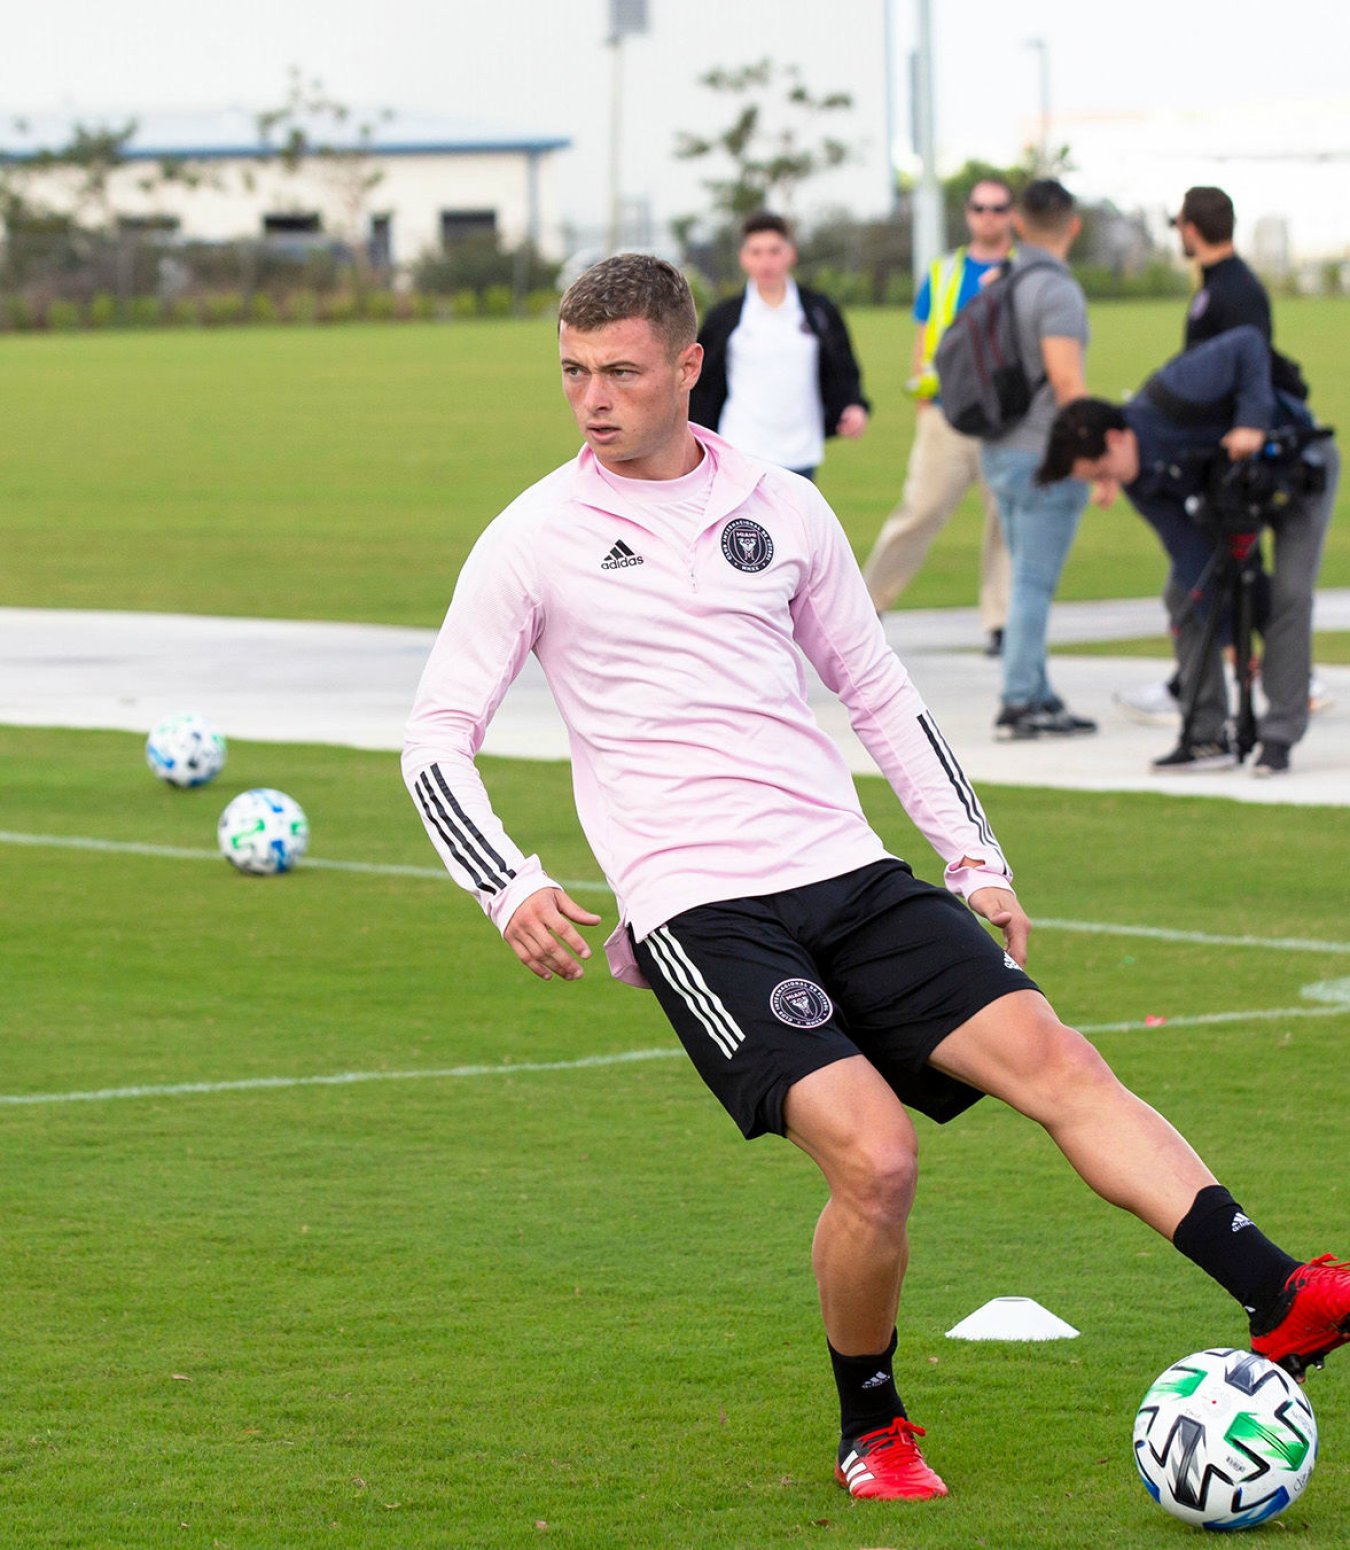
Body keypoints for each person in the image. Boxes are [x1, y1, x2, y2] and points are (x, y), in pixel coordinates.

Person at [403, 254, 1349, 1504]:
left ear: (688, 366)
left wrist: (975, 855)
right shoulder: (533, 536)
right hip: (700, 906)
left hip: (846, 870)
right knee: (879, 1155)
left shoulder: (784, 508)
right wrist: (508, 882)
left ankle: (1285, 1292)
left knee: (1060, 1059)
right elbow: (436, 738)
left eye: (620, 372)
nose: (592, 398)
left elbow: (879, 692)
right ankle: (874, 1423)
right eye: (573, 372)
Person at [1036, 326, 1339, 776]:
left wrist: (1253, 421)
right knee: (1184, 595)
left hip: (1301, 469)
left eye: (1101, 471)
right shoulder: (1140, 483)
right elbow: (1192, 557)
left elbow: (1247, 342)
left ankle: (1279, 734)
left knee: (1290, 595)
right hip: (1237, 499)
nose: (1105, 485)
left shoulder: (1174, 391)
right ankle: (1206, 735)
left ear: (1116, 438)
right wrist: (1230, 638)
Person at [1115, 185, 1331, 726]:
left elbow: (1250, 366)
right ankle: (1220, 676)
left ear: (1191, 228)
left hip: (1243, 455)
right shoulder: (1217, 287)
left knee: (1236, 570)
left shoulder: (1234, 290)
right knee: (1221, 570)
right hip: (1222, 453)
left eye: (1179, 226)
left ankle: (1285, 677)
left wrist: (1246, 429)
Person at [860, 178, 1014, 656]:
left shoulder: (1024, 269)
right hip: (948, 413)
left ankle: (1002, 623)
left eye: (998, 208)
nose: (988, 216)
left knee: (1005, 520)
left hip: (1005, 419)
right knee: (919, 511)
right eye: (979, 207)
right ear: (968, 213)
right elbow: (925, 337)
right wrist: (925, 402)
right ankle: (866, 607)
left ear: (1011, 214)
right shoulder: (945, 271)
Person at [977, 180, 1097, 740]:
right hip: (1045, 453)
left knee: (1024, 573)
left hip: (998, 446)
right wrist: (1093, 454)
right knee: (1032, 583)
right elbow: (1067, 381)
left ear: (1018, 224)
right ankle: (1020, 700)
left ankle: (1038, 690)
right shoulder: (1056, 291)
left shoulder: (1000, 280)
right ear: (1073, 226)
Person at [688, 211, 868, 480]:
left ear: (790, 254)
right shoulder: (724, 317)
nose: (766, 262)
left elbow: (843, 364)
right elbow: (702, 382)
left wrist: (853, 405)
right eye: (756, 252)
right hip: (741, 449)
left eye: (774, 251)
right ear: (744, 257)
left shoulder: (818, 310)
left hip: (800, 451)